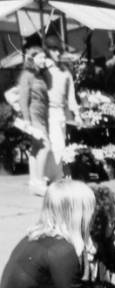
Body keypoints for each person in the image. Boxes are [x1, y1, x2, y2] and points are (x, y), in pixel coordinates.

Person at [45, 35, 82, 182]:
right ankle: (54, 178)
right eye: (53, 50)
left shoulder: (65, 73)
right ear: (47, 51)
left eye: (59, 50)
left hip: (59, 112)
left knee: (58, 145)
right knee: (54, 145)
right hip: (45, 111)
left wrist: (77, 114)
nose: (57, 53)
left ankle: (53, 177)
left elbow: (71, 96)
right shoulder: (43, 70)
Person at [18, 47, 52, 196]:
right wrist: (26, 120)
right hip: (34, 115)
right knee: (45, 146)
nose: (43, 60)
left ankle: (34, 180)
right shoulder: (27, 75)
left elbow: (50, 86)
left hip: (43, 115)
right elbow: (23, 99)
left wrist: (47, 69)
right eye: (40, 57)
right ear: (31, 59)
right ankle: (39, 182)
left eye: (44, 57)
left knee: (36, 147)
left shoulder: (40, 75)